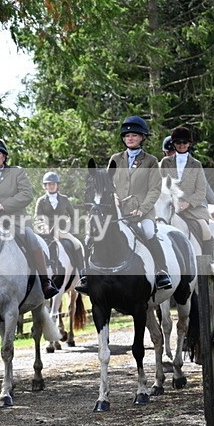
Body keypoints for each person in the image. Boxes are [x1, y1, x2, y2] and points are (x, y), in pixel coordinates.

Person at [77, 115, 172, 294]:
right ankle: (87, 275)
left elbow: (154, 190)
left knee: (149, 231)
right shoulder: (115, 158)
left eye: (134, 135)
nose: (130, 138)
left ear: (142, 137)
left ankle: (161, 271)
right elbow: (106, 184)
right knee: (91, 234)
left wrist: (142, 209)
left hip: (142, 212)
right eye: (127, 136)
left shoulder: (150, 161)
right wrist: (112, 199)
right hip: (117, 213)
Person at [0, 138, 59, 299]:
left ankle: (45, 281)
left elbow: (26, 195)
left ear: (4, 156)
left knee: (32, 240)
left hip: (16, 221)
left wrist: (3, 205)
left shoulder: (17, 172)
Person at [160, 127, 214, 257]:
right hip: (170, 206)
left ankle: (207, 265)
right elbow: (159, 185)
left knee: (205, 231)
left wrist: (187, 203)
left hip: (193, 209)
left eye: (185, 143)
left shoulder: (196, 164)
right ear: (174, 144)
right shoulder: (165, 162)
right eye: (178, 143)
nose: (182, 145)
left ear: (189, 144)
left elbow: (201, 190)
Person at [34, 171, 84, 274]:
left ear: (57, 185)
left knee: (76, 244)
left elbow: (73, 215)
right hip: (47, 232)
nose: (51, 186)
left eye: (53, 184)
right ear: (45, 186)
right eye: (49, 184)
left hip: (62, 230)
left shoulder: (64, 199)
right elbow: (37, 218)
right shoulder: (41, 201)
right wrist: (43, 227)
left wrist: (72, 228)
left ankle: (82, 273)